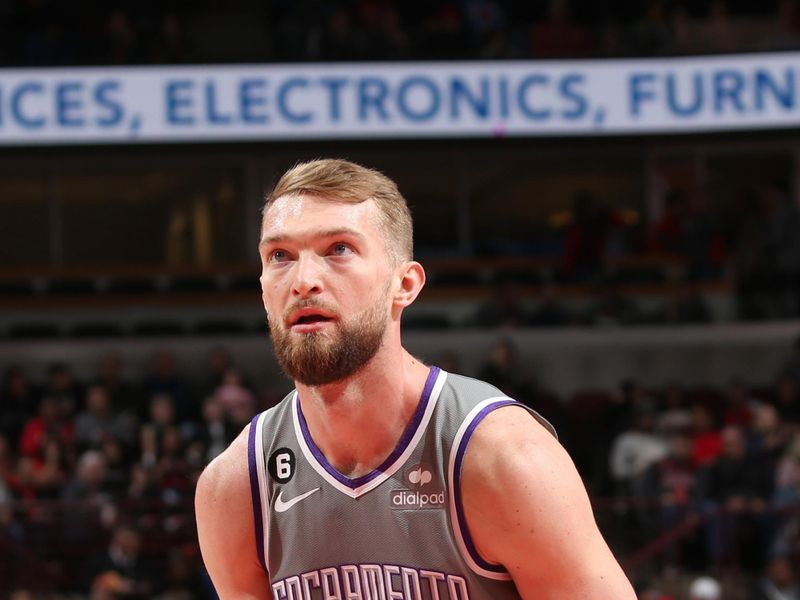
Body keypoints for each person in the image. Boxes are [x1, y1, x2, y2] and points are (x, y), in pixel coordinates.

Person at [195, 159, 635, 599]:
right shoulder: (236, 487)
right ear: (263, 288)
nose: (304, 280)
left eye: (339, 249)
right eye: (280, 256)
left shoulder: (504, 458)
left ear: (404, 284)